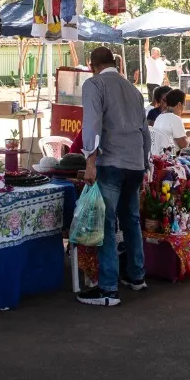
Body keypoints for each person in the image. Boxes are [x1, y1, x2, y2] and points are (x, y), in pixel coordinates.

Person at [79, 46, 152, 307]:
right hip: (135, 163)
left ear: (92, 65)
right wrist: (144, 162)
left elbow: (92, 124)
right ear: (115, 62)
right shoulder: (133, 89)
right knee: (131, 220)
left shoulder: (94, 85)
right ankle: (136, 276)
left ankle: (108, 289)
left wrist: (90, 160)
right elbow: (145, 131)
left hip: (111, 162)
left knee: (107, 224)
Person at [152, 89, 190, 155]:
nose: (183, 109)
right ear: (179, 104)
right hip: (171, 156)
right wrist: (189, 136)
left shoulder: (159, 117)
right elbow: (183, 145)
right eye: (184, 105)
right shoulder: (175, 118)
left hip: (157, 155)